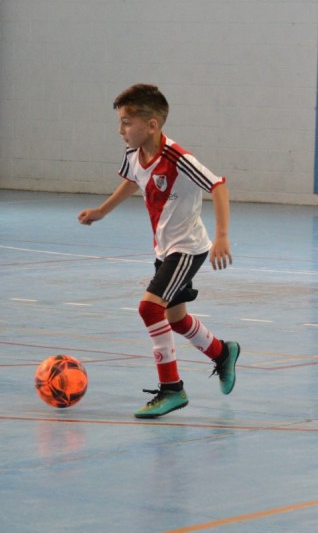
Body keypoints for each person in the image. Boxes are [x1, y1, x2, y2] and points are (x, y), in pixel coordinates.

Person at [78, 83, 239, 418]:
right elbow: (132, 180)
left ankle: (172, 389)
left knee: (149, 309)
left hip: (187, 249)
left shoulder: (178, 158)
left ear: (152, 125)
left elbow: (218, 185)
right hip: (165, 249)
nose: (120, 129)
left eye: (126, 122)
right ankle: (222, 352)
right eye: (120, 121)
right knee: (175, 318)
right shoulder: (133, 154)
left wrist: (222, 235)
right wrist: (101, 211)